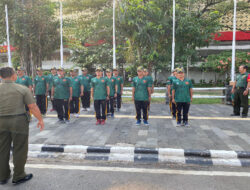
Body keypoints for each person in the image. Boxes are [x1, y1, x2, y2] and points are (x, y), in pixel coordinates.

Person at [0, 67, 44, 185]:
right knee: (19, 148)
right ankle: (19, 175)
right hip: (18, 121)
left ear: (1, 77)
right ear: (14, 75)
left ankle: (2, 176)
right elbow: (32, 107)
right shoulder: (22, 89)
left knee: (2, 149)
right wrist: (40, 119)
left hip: (1, 122)